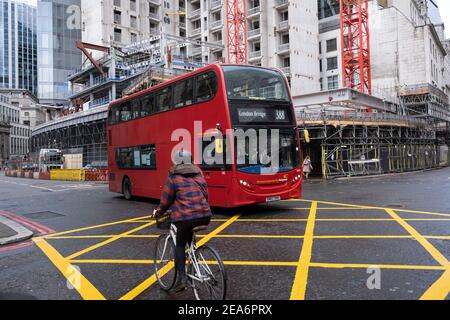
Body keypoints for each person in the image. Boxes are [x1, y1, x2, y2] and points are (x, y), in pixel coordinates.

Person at [153, 149, 212, 293]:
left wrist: (158, 212)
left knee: (179, 245)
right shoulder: (199, 174)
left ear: (175, 161)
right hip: (205, 214)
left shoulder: (173, 178)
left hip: (185, 218)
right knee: (189, 237)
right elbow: (206, 195)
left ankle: (182, 280)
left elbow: (166, 201)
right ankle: (194, 256)